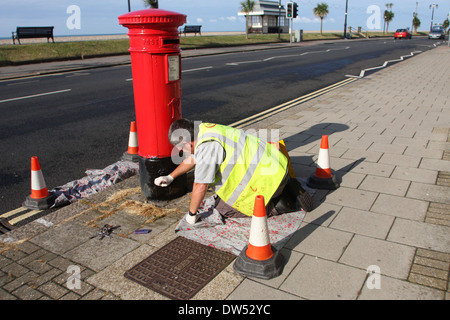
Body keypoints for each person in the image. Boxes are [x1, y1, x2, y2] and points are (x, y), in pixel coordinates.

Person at [154, 119, 312, 224]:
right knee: (221, 199)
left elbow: (200, 185)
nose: (182, 152)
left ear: (187, 142)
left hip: (270, 181)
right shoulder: (205, 129)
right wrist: (170, 176)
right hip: (278, 165)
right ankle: (285, 186)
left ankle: (281, 203)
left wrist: (192, 214)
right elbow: (195, 158)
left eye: (181, 148)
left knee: (223, 209)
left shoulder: (207, 147)